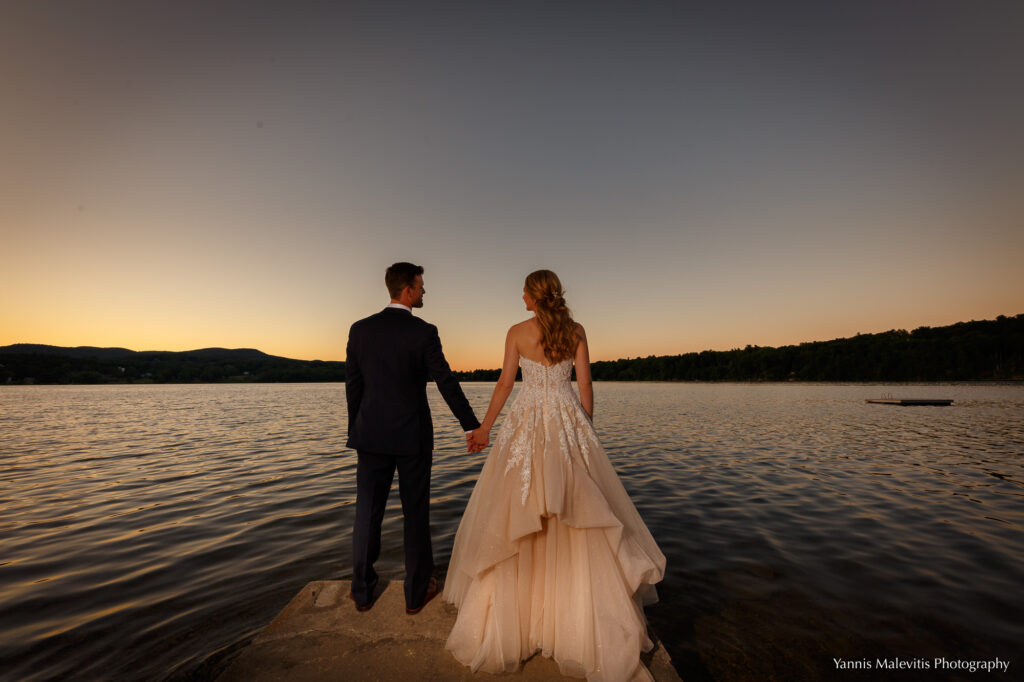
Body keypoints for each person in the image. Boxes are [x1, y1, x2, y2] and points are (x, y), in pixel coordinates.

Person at [443, 269, 666, 681]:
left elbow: (506, 384)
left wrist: (486, 428)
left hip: (526, 423)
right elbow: (585, 386)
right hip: (567, 421)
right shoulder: (576, 329)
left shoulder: (515, 331)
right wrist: (586, 432)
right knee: (574, 514)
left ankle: (521, 618)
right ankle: (574, 619)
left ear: (533, 294)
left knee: (520, 510)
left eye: (524, 290)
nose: (521, 296)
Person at [345, 262, 482, 614]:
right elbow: (445, 381)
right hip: (412, 436)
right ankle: (415, 593)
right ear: (407, 290)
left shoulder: (360, 330)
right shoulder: (424, 332)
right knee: (415, 514)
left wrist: (357, 428)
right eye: (421, 287)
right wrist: (470, 425)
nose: (424, 292)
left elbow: (354, 386)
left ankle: (361, 592)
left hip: (370, 436)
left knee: (367, 514)